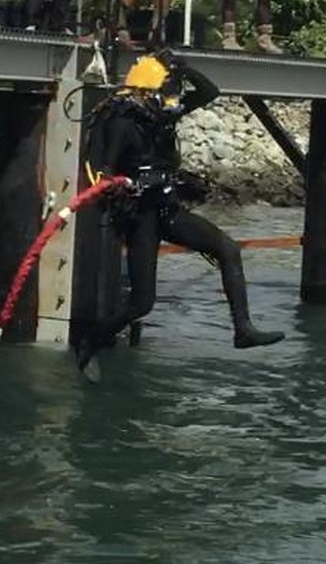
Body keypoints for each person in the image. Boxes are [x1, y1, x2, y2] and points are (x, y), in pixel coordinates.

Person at [73, 50, 285, 372]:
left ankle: (243, 330)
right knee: (142, 303)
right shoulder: (121, 121)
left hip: (167, 209)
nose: (174, 102)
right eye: (168, 94)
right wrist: (122, 184)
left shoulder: (161, 115)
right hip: (140, 216)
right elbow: (102, 171)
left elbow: (210, 92)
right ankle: (92, 339)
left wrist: (183, 69)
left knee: (227, 248)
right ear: (148, 92)